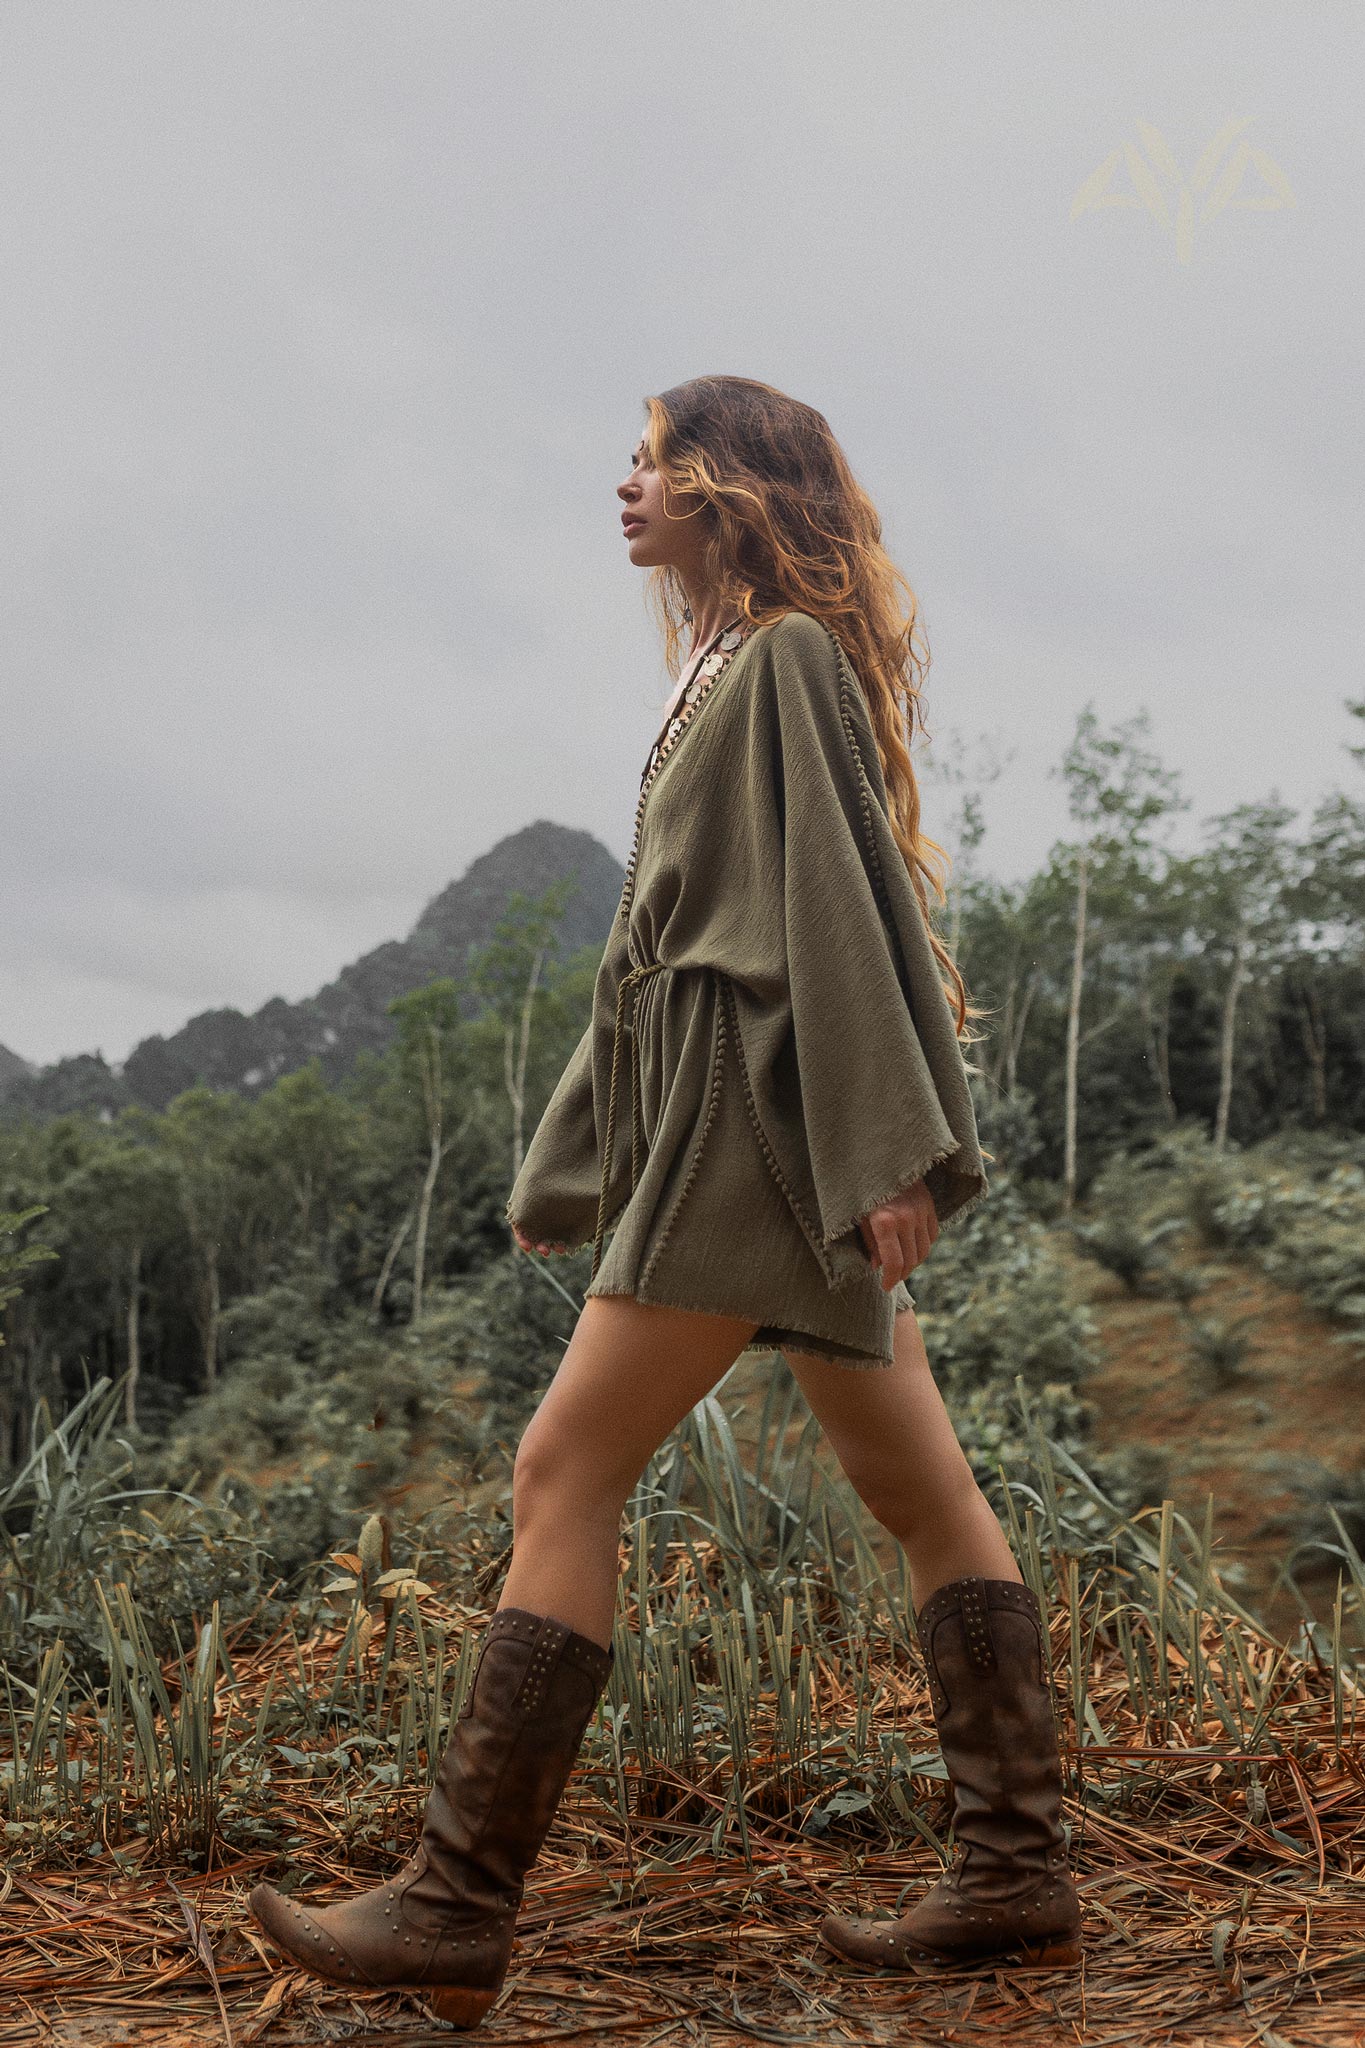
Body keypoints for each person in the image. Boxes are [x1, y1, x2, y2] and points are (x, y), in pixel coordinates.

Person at [249, 375, 1081, 2024]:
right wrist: (572, 1163)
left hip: (754, 1139)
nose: (624, 487)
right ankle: (1015, 1874)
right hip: (736, 1123)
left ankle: (452, 1908)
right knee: (915, 1488)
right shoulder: (720, 668)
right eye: (629, 461)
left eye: (655, 462)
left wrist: (880, 1159)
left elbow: (839, 910)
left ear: (733, 488)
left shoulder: (775, 660)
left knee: (563, 1462)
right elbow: (655, 961)